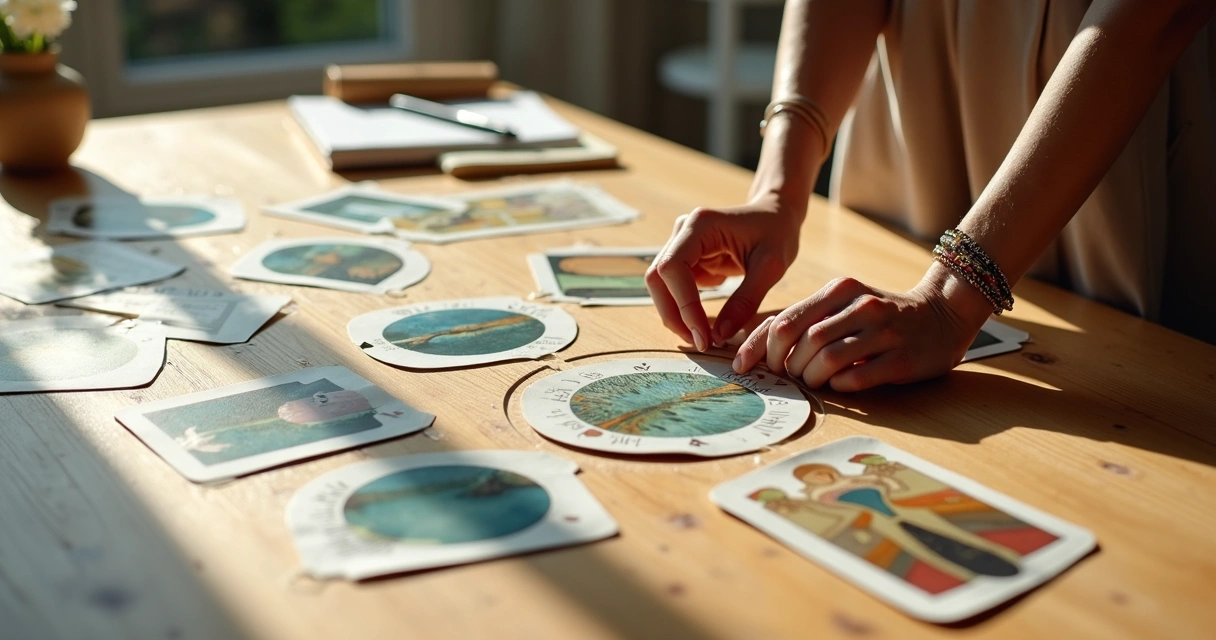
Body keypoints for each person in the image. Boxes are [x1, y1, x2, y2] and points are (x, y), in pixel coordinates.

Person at [645, 0, 1216, 392]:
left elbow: (1157, 10)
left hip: (1105, 97)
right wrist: (779, 191)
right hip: (919, 106)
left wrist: (950, 299)